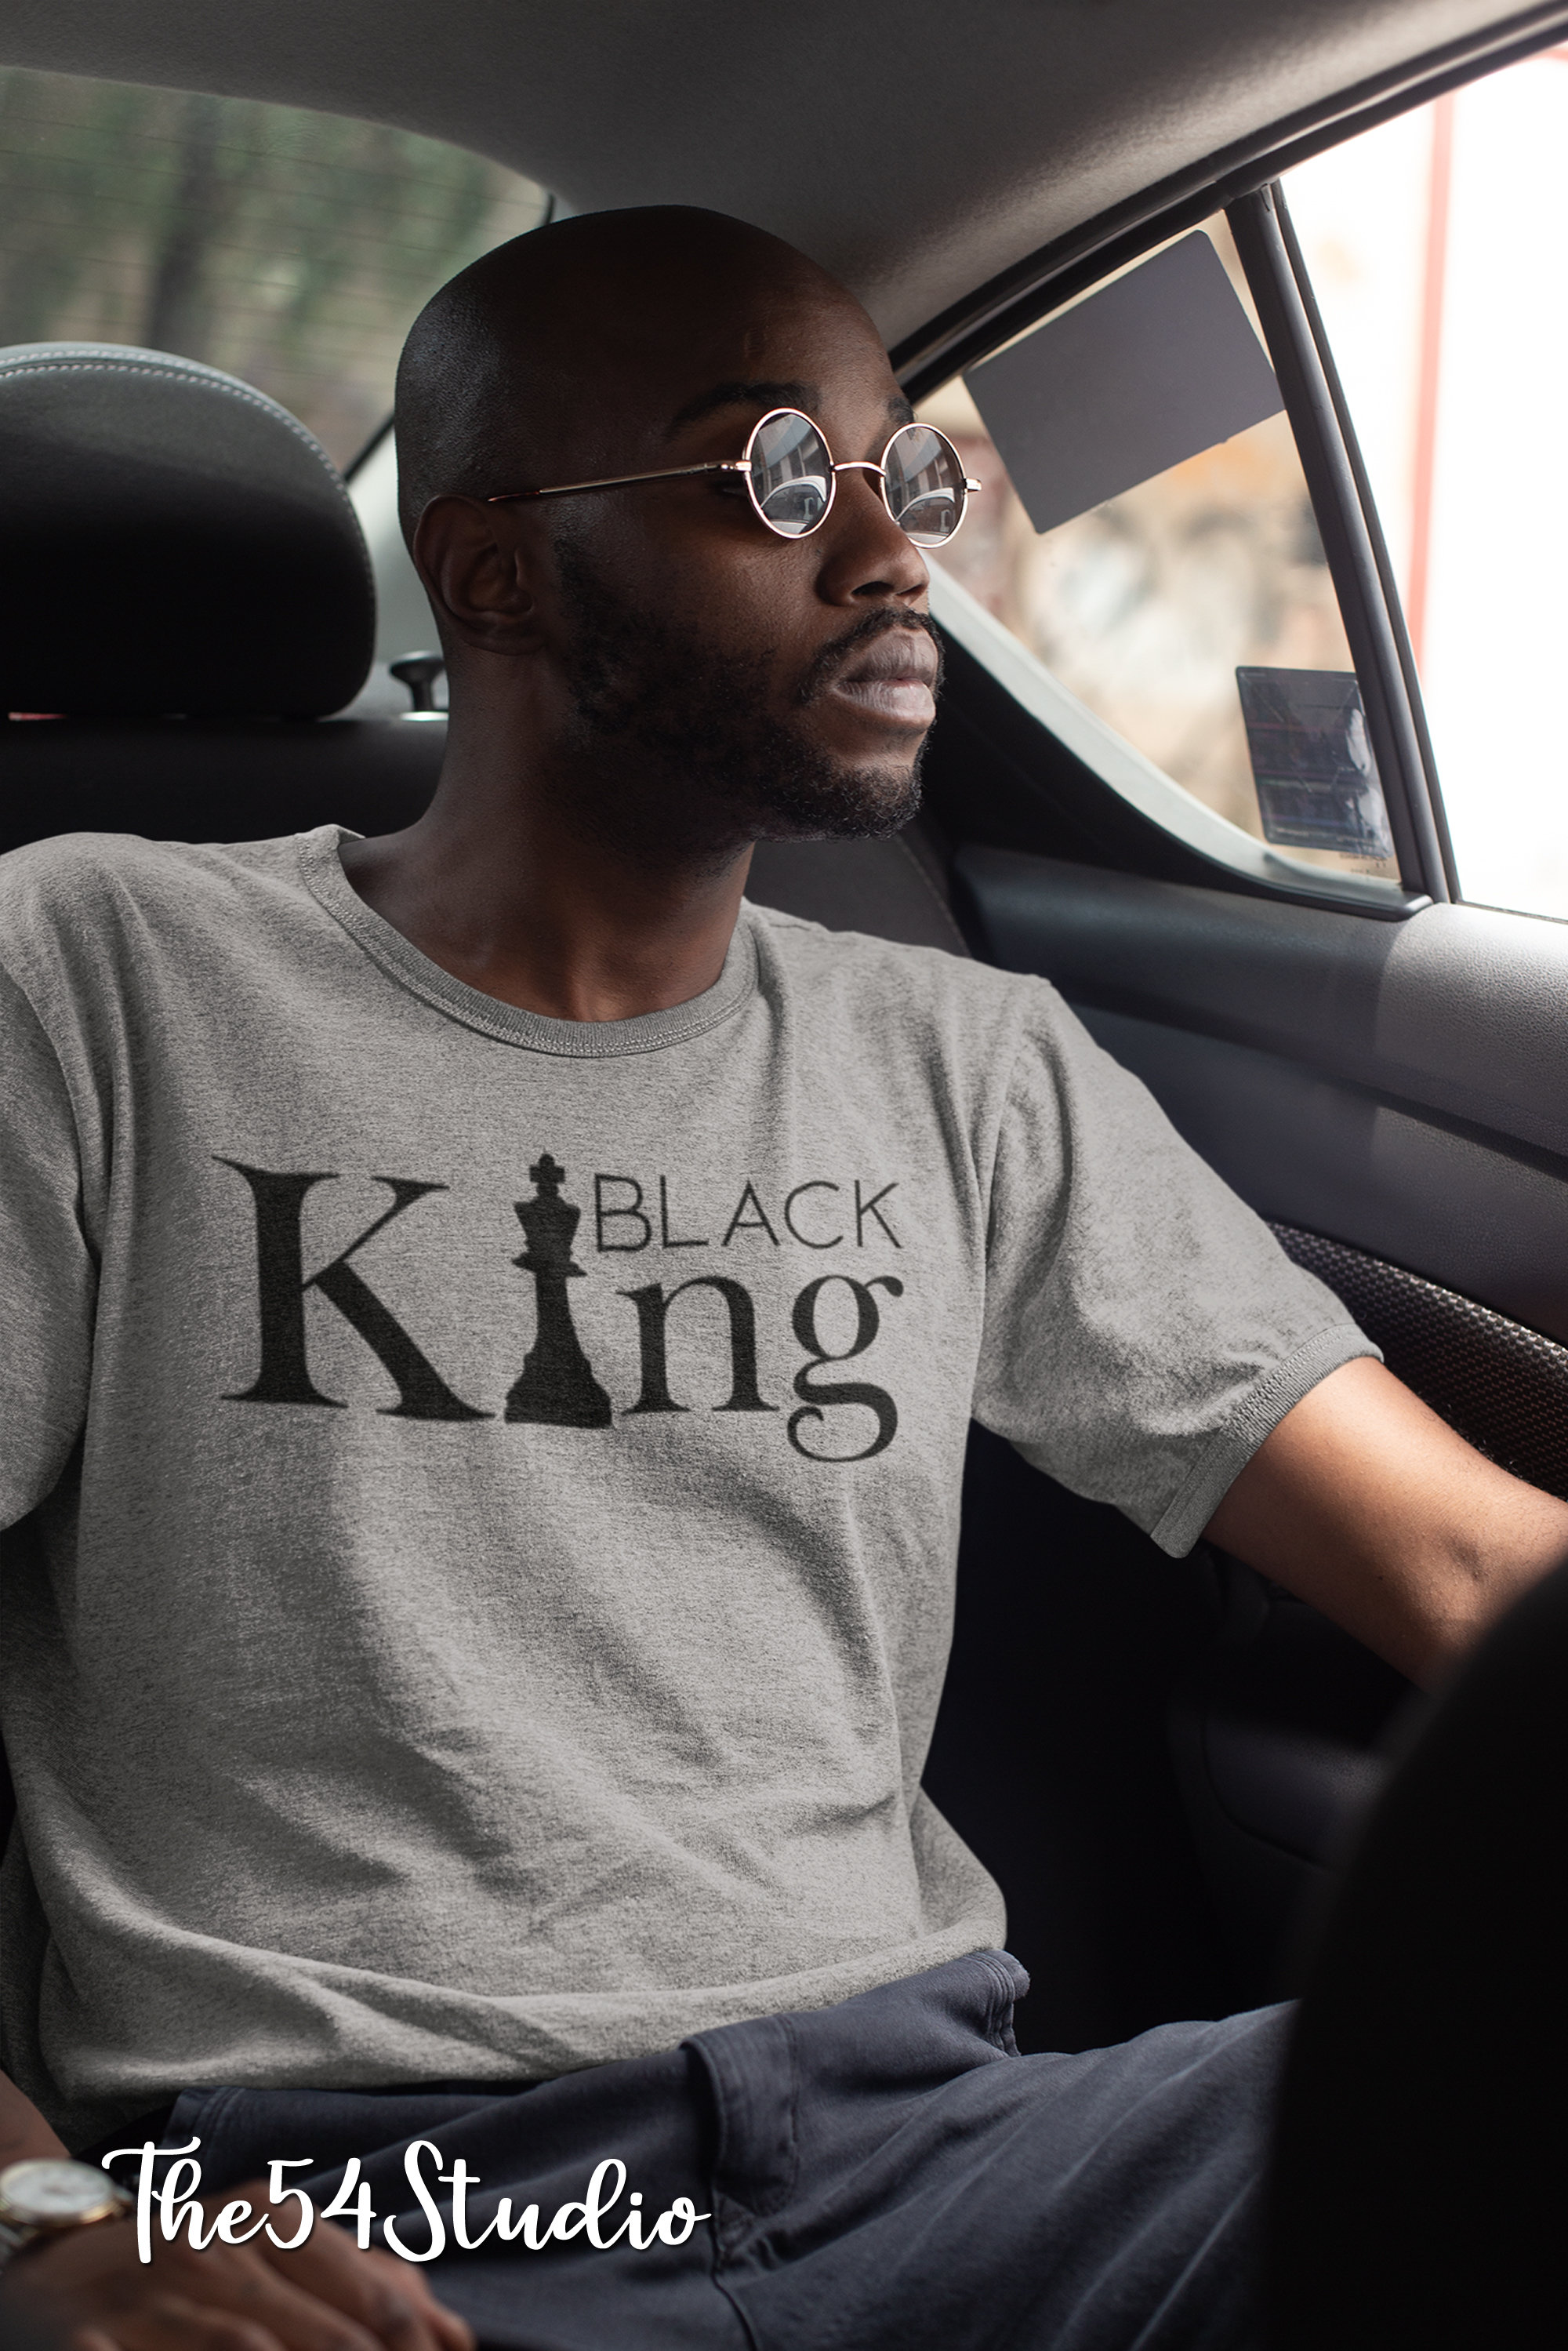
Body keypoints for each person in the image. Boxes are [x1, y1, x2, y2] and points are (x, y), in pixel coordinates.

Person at [1, 206, 1563, 2351]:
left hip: (939, 2155)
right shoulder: (100, 976)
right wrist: (40, 2219)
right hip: (359, 2213)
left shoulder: (963, 1062)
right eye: (778, 476)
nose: (896, 555)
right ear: (495, 571)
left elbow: (1469, 1568)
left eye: (906, 476)